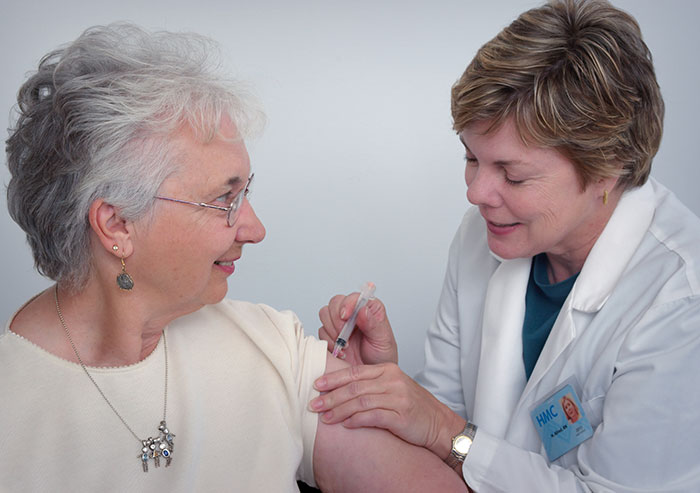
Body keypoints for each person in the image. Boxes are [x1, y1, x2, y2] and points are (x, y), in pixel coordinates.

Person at [0, 23, 468, 492]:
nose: (255, 229)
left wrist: (384, 398)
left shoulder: (271, 349)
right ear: (117, 224)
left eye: (247, 191)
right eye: (224, 199)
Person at [310, 0, 700, 491]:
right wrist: (388, 387)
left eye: (512, 175)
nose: (475, 194)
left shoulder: (681, 301)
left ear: (607, 167)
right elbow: (445, 432)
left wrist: (441, 428)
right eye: (472, 158)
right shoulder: (485, 234)